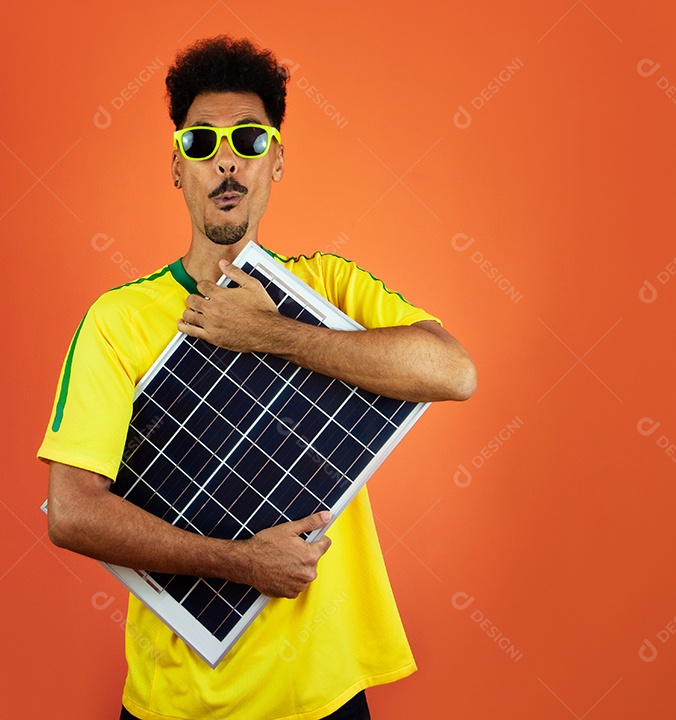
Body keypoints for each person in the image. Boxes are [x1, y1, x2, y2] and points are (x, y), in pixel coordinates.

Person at [38, 35, 476, 720]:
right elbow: (71, 512)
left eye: (248, 139)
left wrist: (269, 334)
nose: (225, 161)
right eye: (200, 144)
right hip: (182, 706)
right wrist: (241, 563)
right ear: (176, 170)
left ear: (277, 161)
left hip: (324, 700)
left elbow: (452, 371)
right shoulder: (117, 320)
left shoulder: (328, 287)